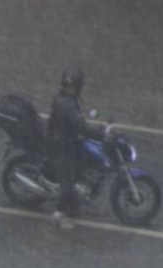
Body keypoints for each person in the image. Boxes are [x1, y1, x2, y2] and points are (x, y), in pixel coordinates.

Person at [46, 65, 100, 228]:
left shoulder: (67, 99)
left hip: (67, 140)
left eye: (73, 86)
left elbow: (77, 122)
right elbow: (80, 125)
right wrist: (100, 133)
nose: (70, 89)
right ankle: (58, 215)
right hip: (60, 145)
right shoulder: (66, 104)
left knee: (79, 168)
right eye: (68, 86)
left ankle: (74, 203)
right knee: (68, 181)